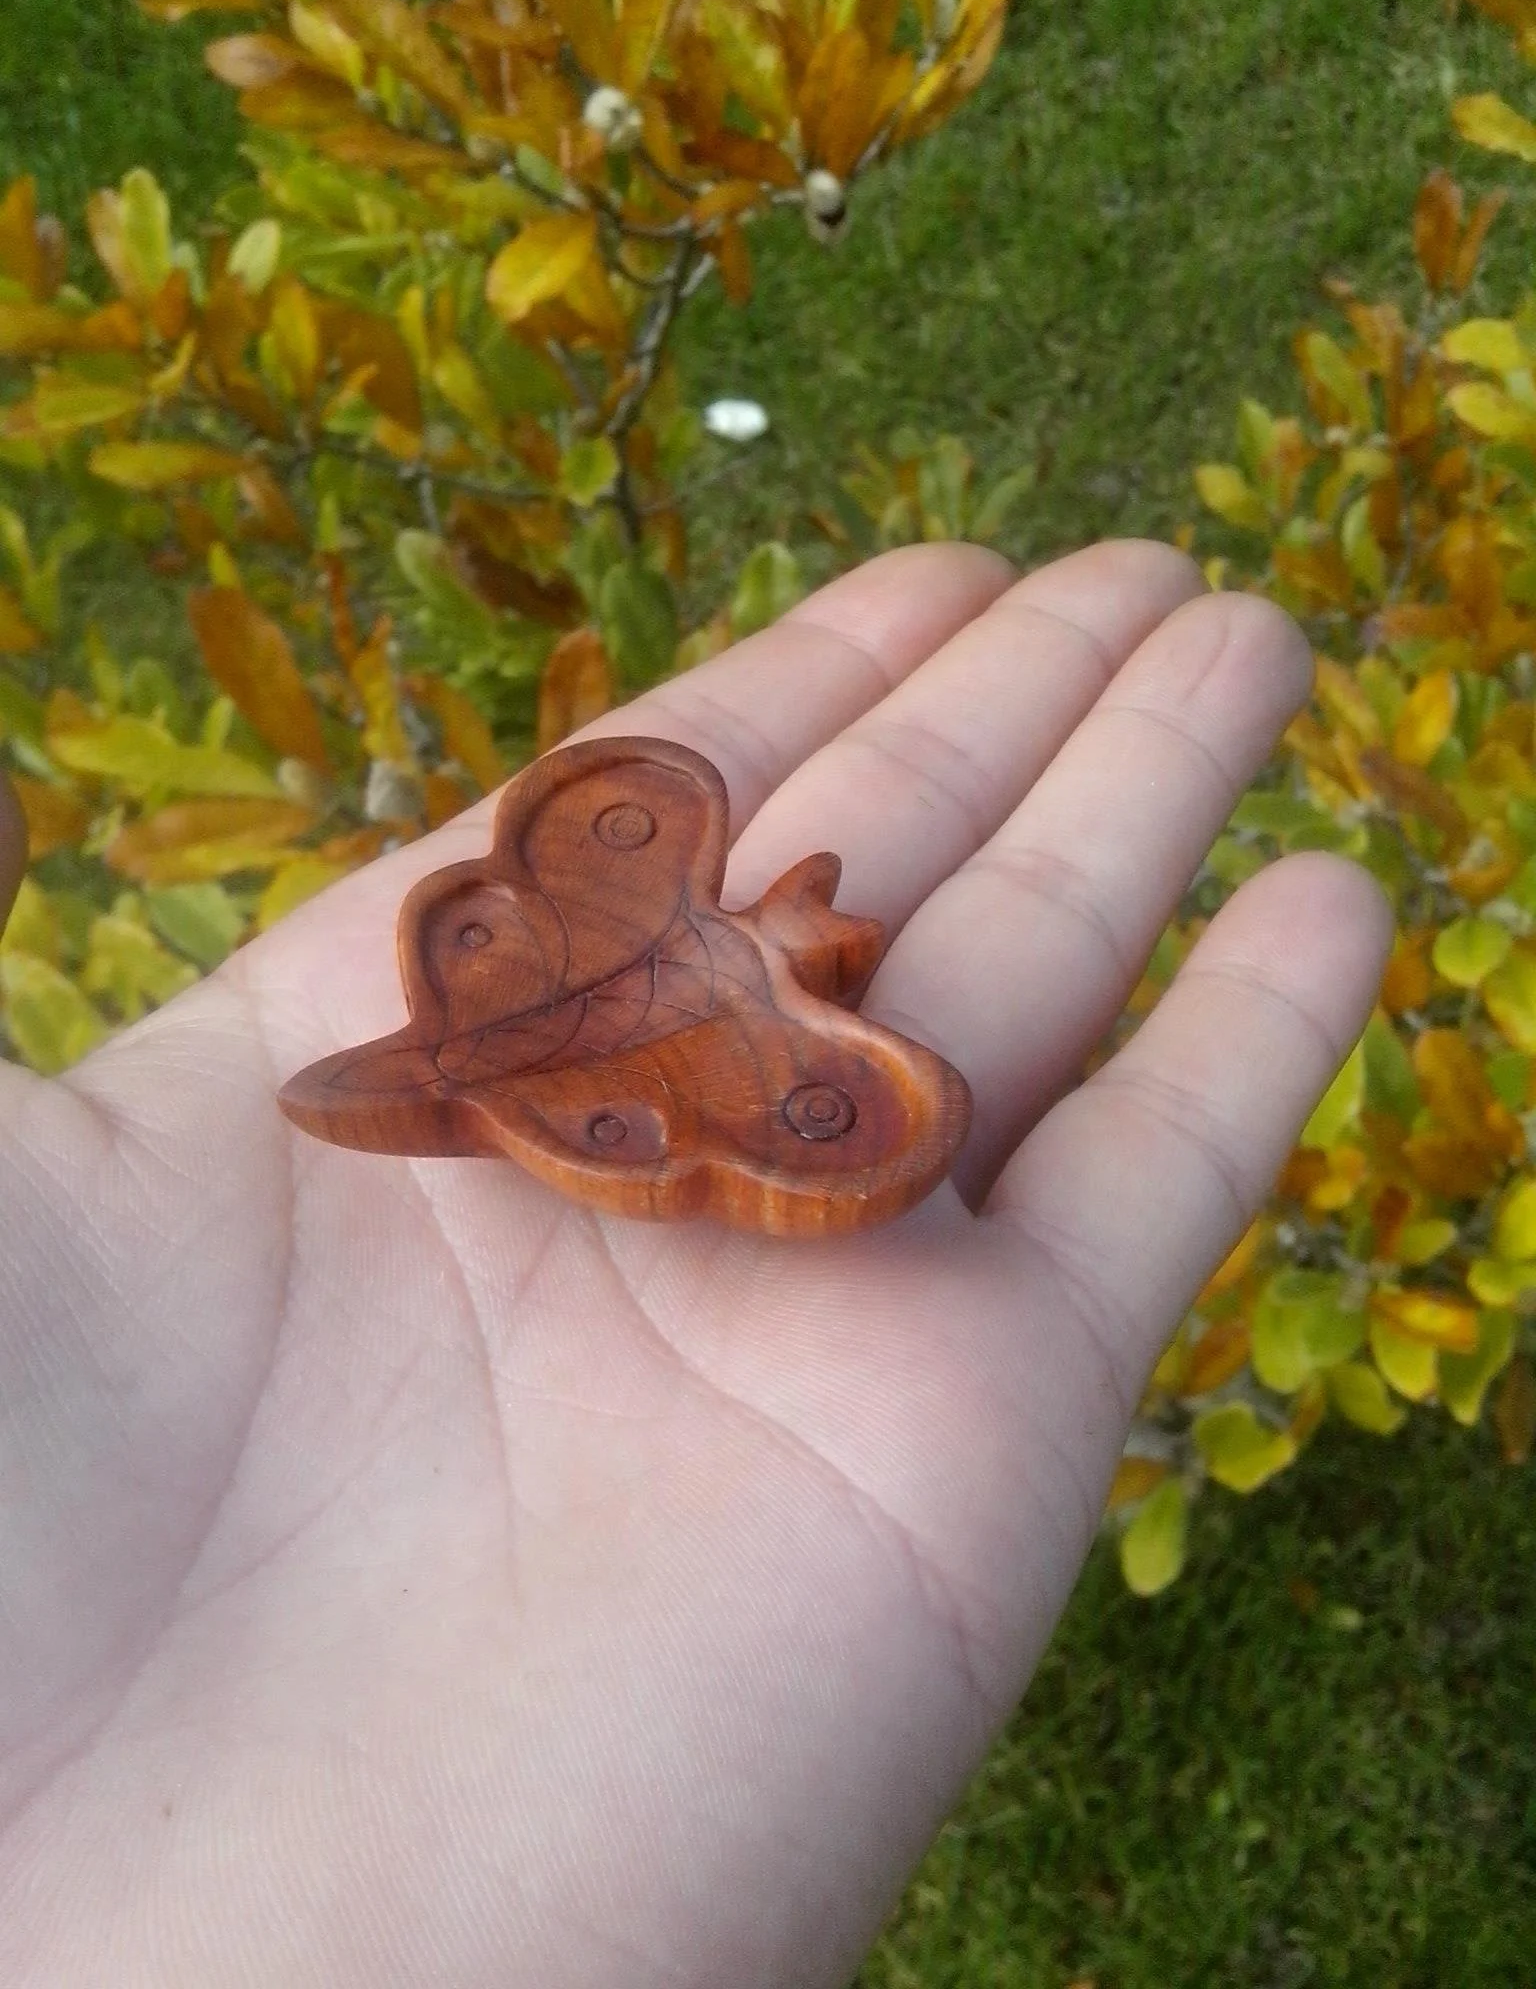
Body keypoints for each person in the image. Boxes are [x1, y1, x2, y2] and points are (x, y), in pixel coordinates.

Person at [0, 539, 1389, 1986]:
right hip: (544, 1059)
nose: (821, 928)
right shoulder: (738, 971)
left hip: (581, 1067)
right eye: (820, 921)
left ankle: (450, 1065)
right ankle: (443, 1067)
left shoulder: (797, 1038)